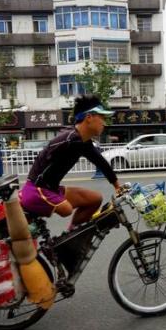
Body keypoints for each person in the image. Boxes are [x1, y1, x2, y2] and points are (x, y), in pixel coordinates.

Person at [22, 95, 122, 230]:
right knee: (66, 209)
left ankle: (72, 233)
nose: (104, 123)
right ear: (89, 118)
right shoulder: (70, 139)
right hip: (36, 190)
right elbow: (42, 161)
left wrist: (117, 186)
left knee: (95, 199)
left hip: (52, 190)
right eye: (102, 118)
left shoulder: (82, 141)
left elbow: (100, 162)